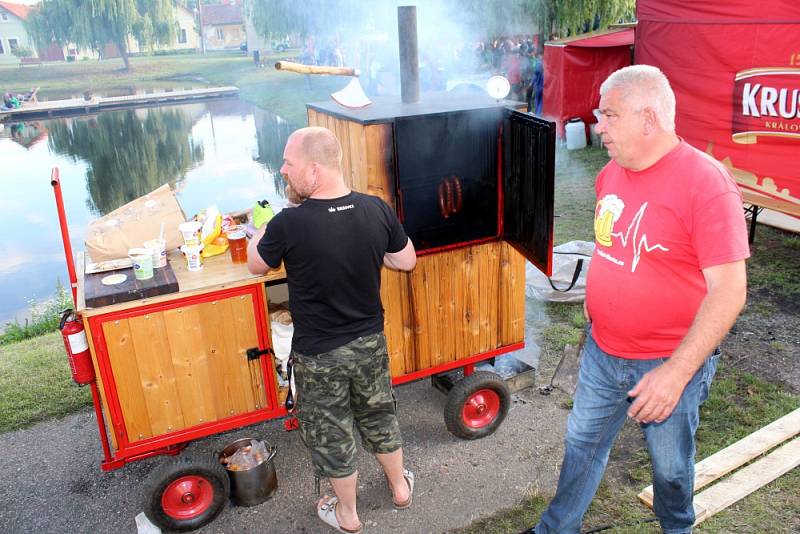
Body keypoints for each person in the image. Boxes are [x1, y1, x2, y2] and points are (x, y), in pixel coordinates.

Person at [524, 65, 749, 534]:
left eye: (609, 115)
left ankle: (677, 528)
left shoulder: (706, 184)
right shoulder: (610, 174)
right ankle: (556, 529)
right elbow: (612, 244)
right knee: (582, 444)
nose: (598, 126)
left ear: (649, 120)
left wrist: (676, 373)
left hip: (669, 365)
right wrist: (599, 301)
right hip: (603, 353)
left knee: (669, 468)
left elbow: (730, 290)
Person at [247, 126, 417, 534]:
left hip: (319, 356)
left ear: (315, 169)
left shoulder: (288, 224)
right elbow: (406, 260)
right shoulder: (375, 209)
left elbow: (256, 266)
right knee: (378, 415)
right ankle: (399, 489)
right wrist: (377, 253)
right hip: (369, 344)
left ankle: (348, 515)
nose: (284, 170)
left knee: (332, 432)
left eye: (290, 163)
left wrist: (258, 234)